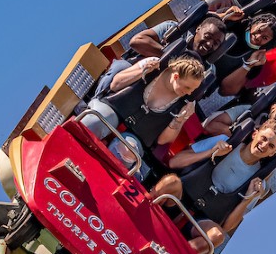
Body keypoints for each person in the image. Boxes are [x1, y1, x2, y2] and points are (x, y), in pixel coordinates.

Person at [85, 54, 206, 162]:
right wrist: (142, 71)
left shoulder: (187, 103)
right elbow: (115, 85)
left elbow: (162, 141)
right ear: (175, 77)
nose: (189, 93)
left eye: (193, 90)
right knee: (93, 122)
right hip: (113, 109)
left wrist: (180, 120)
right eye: (187, 87)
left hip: (136, 135)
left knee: (126, 154)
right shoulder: (155, 63)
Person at [94, 16, 226, 98]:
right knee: (119, 67)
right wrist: (174, 57)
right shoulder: (173, 30)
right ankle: (96, 100)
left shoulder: (208, 69)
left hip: (166, 93)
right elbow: (137, 41)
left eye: (216, 43)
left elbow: (196, 95)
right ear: (198, 29)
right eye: (208, 37)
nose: (209, 44)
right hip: (140, 69)